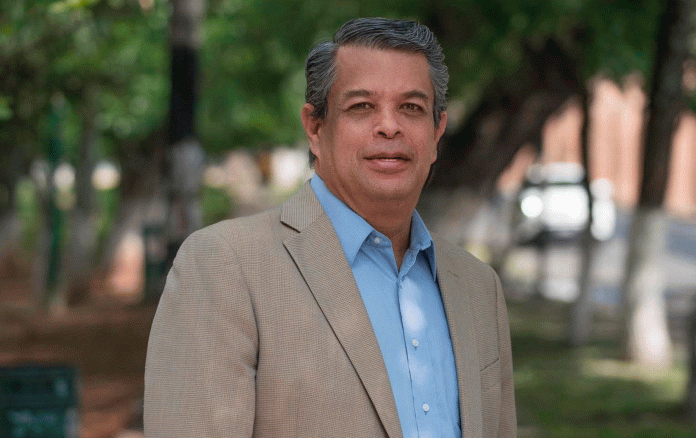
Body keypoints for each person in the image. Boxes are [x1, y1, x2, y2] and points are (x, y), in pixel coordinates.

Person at [144, 17, 516, 438]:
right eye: (362, 107)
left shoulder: (478, 287)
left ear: (437, 133)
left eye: (411, 108)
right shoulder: (225, 266)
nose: (389, 126)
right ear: (316, 128)